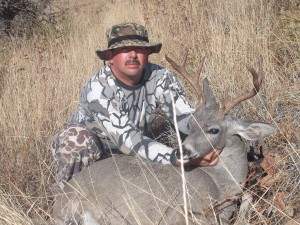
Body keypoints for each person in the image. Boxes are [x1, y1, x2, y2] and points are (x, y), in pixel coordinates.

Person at [51, 22, 219, 193]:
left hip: (132, 155)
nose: (133, 55)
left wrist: (211, 133)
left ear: (147, 54)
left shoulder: (160, 78)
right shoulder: (98, 88)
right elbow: (127, 140)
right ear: (110, 57)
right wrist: (177, 157)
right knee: (75, 139)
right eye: (124, 49)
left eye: (139, 49)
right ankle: (65, 199)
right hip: (96, 151)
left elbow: (185, 119)